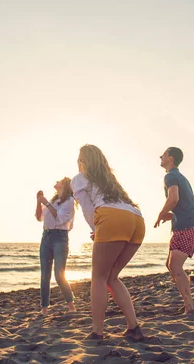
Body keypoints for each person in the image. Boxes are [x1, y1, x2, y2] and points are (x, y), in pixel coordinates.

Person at [71, 144, 145, 340]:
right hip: (136, 219)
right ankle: (133, 327)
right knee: (112, 277)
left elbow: (88, 210)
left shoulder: (79, 179)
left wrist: (96, 230)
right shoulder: (111, 181)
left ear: (82, 162)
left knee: (99, 277)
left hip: (111, 218)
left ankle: (97, 332)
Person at [154, 147, 194, 314]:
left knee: (175, 266)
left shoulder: (171, 176)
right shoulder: (179, 176)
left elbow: (173, 198)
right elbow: (185, 203)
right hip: (187, 223)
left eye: (164, 154)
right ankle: (188, 303)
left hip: (187, 226)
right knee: (171, 265)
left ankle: (190, 306)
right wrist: (172, 215)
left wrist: (161, 214)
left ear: (171, 159)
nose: (160, 156)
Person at [35, 178, 77, 315]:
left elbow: (59, 218)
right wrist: (38, 201)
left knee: (59, 275)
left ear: (65, 185)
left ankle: (71, 305)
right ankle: (44, 308)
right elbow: (39, 217)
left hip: (60, 237)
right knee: (44, 275)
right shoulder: (53, 201)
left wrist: (45, 202)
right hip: (46, 237)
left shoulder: (69, 201)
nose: (56, 181)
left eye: (60, 180)